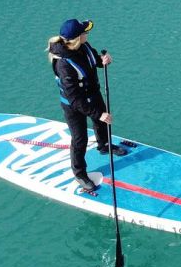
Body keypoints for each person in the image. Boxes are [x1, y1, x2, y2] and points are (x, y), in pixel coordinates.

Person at [46, 18, 128, 193]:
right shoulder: (63, 64)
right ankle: (80, 173)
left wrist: (103, 60)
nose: (87, 33)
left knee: (101, 122)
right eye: (85, 32)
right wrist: (97, 113)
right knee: (79, 139)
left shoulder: (84, 46)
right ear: (77, 37)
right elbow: (74, 98)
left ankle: (104, 145)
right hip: (73, 105)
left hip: (92, 94)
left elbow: (94, 62)